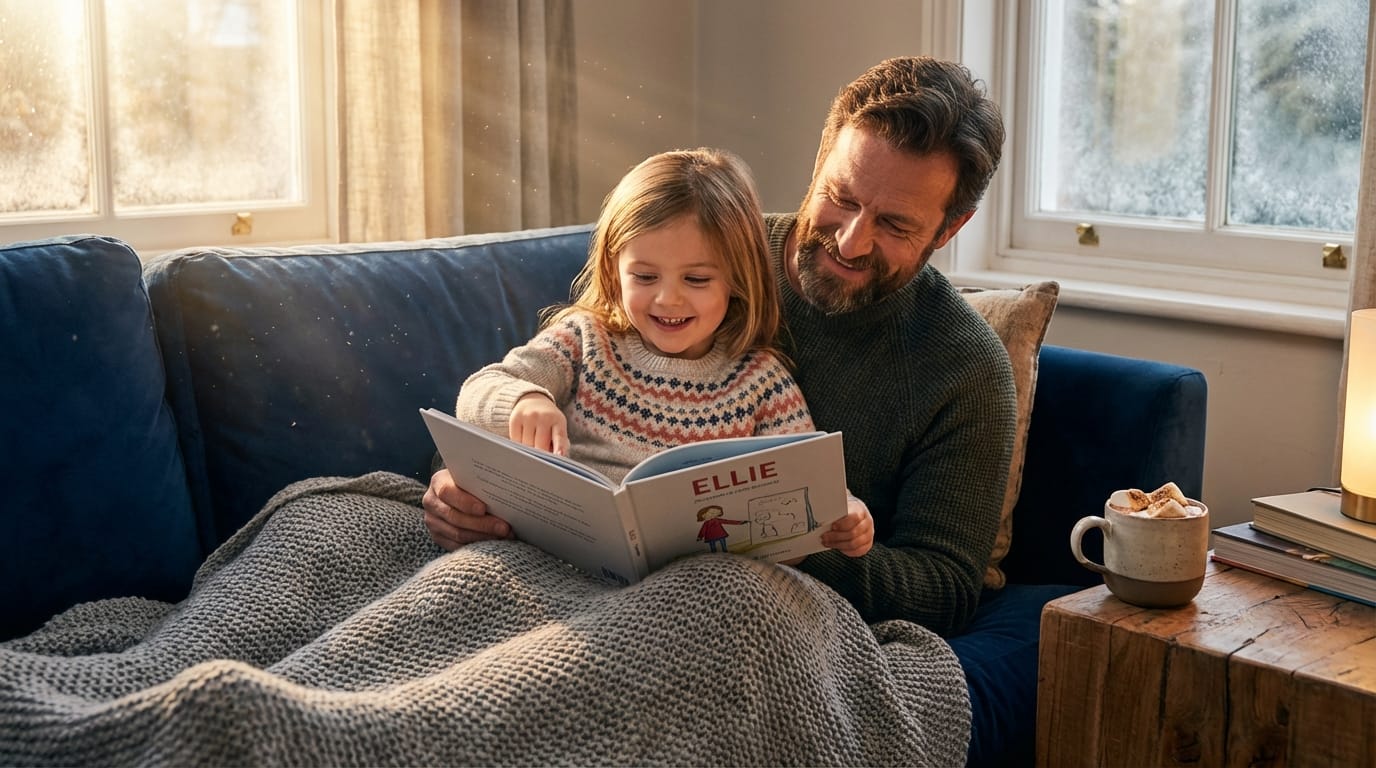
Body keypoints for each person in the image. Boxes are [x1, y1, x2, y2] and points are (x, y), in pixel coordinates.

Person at [424, 56, 1016, 638]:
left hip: (747, 605)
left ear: (949, 229)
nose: (852, 241)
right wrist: (464, 491)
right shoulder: (701, 246)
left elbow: (945, 588)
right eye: (842, 197)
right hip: (559, 573)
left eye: (895, 226)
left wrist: (793, 546)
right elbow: (528, 394)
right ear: (819, 162)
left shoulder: (966, 369)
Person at [445, 147, 874, 559]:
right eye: (645, 276)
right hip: (562, 557)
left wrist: (845, 514)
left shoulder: (761, 381)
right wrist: (524, 400)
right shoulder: (583, 340)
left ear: (737, 280)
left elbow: (806, 479)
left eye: (697, 280)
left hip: (694, 580)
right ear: (614, 270)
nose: (668, 299)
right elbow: (478, 392)